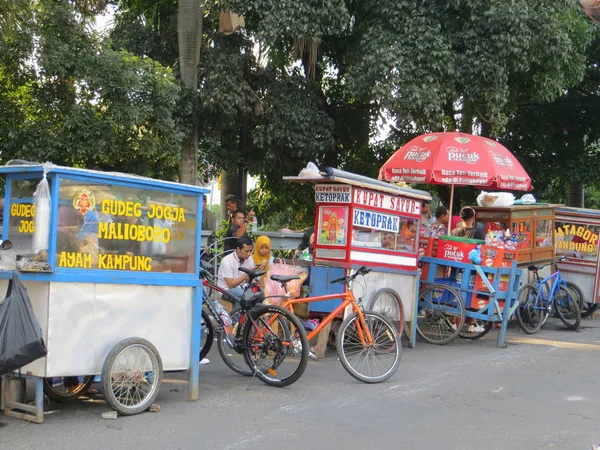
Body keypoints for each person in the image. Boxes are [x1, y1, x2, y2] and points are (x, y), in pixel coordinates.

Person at [217, 236, 255, 300]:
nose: (249, 254)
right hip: (226, 290)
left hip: (243, 287)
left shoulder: (249, 258)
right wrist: (247, 273)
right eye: (246, 251)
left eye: (250, 251)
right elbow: (231, 285)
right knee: (244, 295)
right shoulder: (227, 261)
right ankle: (240, 310)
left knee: (259, 293)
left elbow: (251, 279)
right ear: (238, 249)